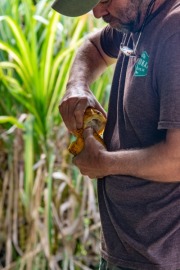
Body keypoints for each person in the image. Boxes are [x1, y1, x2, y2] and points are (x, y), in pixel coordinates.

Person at [52, 0, 180, 269]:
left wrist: (104, 163)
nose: (98, 12)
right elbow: (94, 47)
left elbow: (176, 160)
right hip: (122, 249)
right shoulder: (136, 20)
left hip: (158, 258)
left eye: (105, 0)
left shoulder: (175, 32)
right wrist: (77, 86)